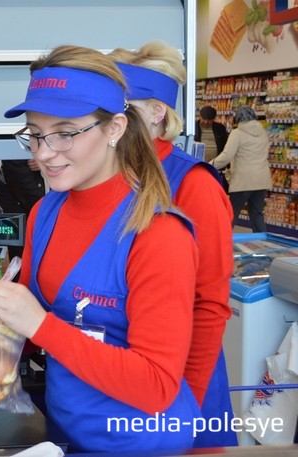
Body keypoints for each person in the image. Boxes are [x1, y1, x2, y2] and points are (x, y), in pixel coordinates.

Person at [0, 45, 200, 453]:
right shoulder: (46, 211)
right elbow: (31, 334)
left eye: (66, 133)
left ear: (115, 128)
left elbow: (156, 386)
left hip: (141, 443)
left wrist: (40, 325)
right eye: (35, 134)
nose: (44, 153)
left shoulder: (158, 233)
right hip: (63, 430)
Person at [113, 40, 237, 448]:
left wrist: (185, 408)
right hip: (121, 381)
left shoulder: (194, 184)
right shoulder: (107, 175)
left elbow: (209, 305)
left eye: (124, 108)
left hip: (185, 387)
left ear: (157, 112)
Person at [210, 105, 271, 232]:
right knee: (257, 215)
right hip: (261, 180)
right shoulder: (263, 132)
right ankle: (261, 245)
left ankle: (224, 242)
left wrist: (210, 165)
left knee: (231, 214)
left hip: (243, 181)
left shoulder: (237, 133)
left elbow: (227, 156)